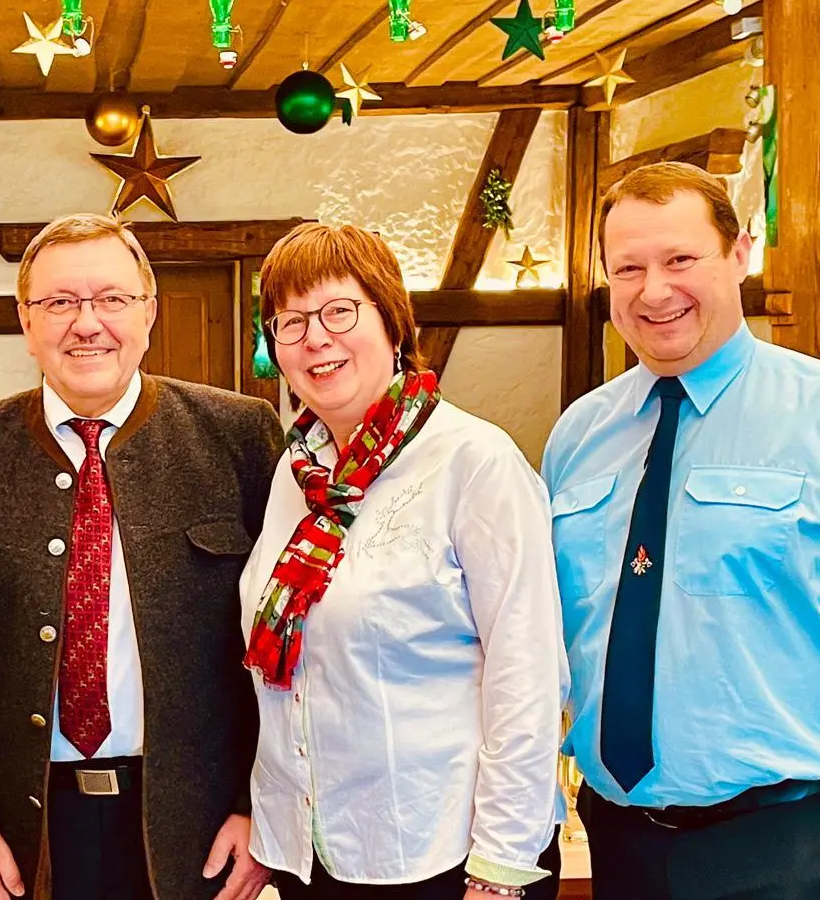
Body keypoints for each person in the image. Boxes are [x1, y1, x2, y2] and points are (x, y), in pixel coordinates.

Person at [543, 161, 820, 899]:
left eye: (681, 259)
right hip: (618, 845)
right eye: (628, 268)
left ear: (740, 253)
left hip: (790, 848)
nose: (655, 290)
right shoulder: (578, 436)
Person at [0, 213, 284, 900]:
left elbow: (286, 649)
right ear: (26, 321)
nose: (88, 323)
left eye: (112, 299)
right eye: (59, 302)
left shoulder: (239, 437)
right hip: (30, 838)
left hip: (197, 833)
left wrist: (255, 802)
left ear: (150, 311)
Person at [240, 223, 567, 900]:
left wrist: (501, 869)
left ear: (392, 322)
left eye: (339, 310)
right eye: (291, 321)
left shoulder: (474, 462)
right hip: (313, 850)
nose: (316, 338)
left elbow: (527, 673)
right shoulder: (296, 472)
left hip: (438, 854)